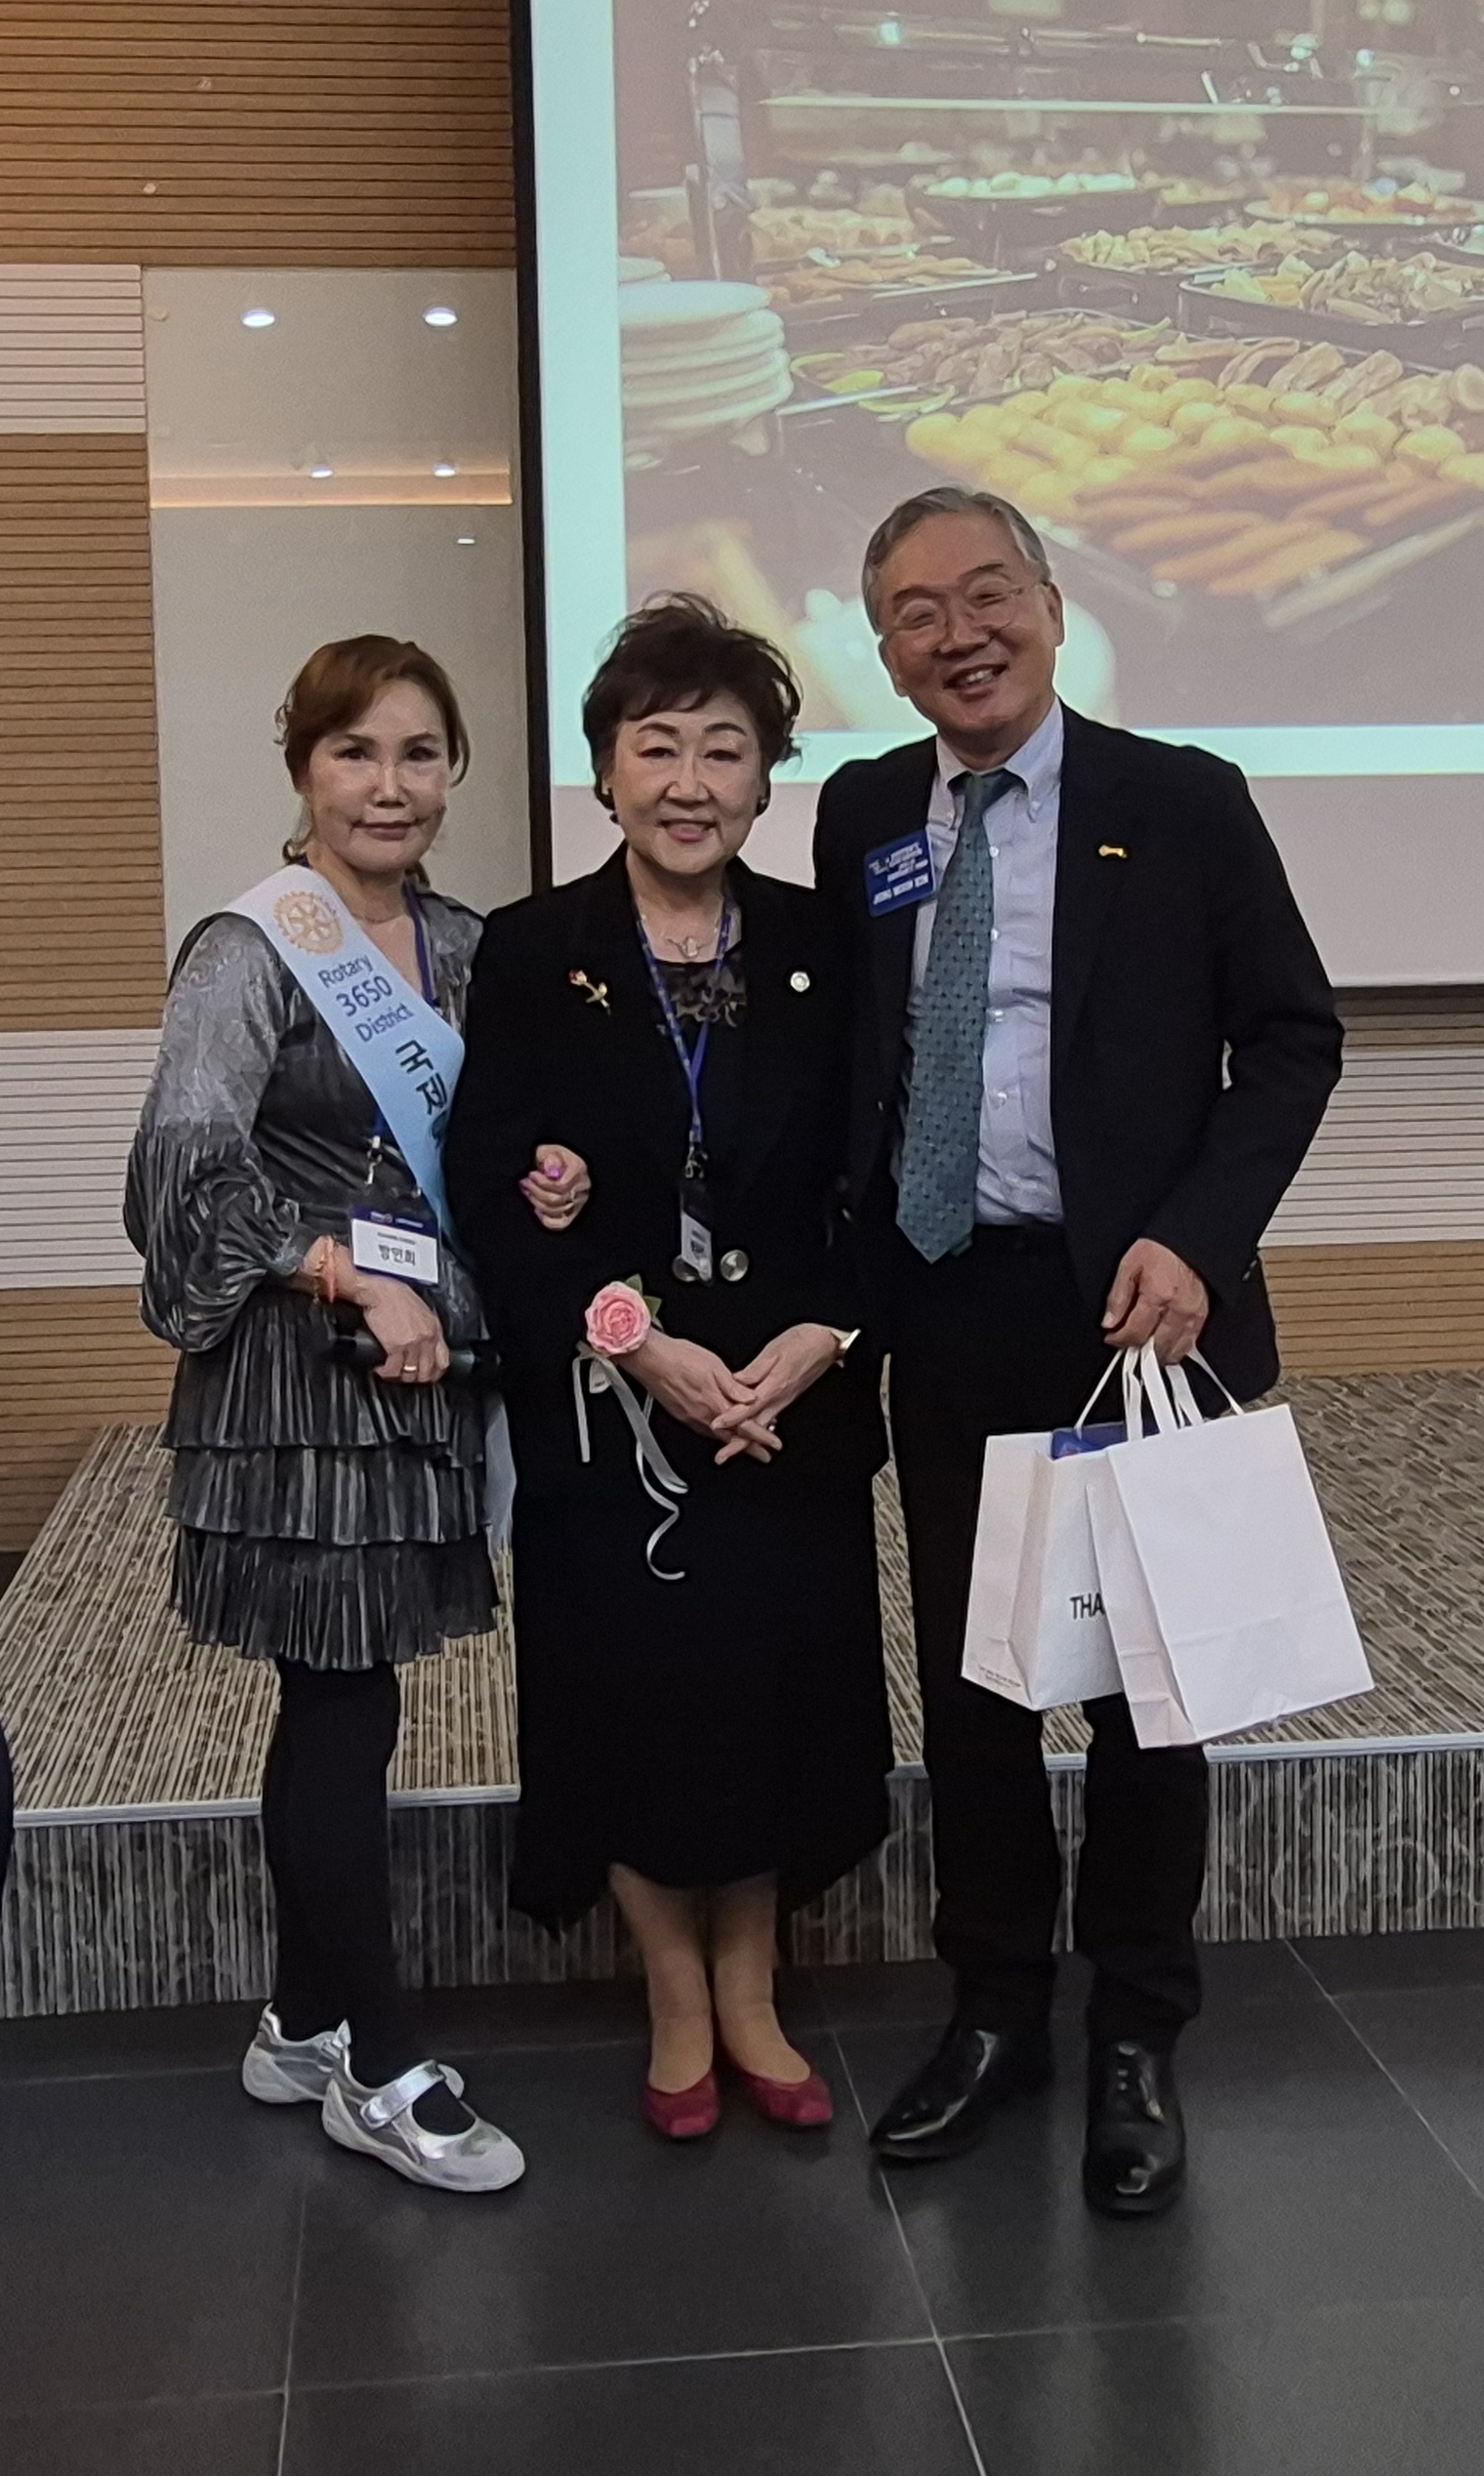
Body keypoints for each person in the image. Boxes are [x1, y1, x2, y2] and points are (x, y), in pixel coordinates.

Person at [815, 484, 1341, 2219]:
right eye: (915, 613)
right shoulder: (865, 813)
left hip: (1137, 1311)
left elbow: (1293, 1040)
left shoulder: (1178, 802)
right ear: (884, 650)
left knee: (1142, 1691)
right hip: (948, 1298)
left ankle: (1135, 2028)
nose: (957, 634)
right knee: (977, 1681)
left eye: (987, 595)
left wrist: (1198, 1239)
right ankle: (993, 2010)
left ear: (1051, 606)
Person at [125, 634, 575, 2197]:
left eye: (420, 753)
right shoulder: (249, 951)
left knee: (346, 1700)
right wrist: (335, 1269)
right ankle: (378, 2064)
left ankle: (302, 2020)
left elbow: (503, 1140)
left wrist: (550, 1177)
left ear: (455, 771)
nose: (390, 785)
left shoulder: (470, 946)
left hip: (423, 1369)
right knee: (337, 1699)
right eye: (355, 752)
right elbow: (183, 1173)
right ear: (303, 768)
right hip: (300, 1383)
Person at [452, 597, 887, 2141]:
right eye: (658, 748)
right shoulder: (534, 950)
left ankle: (753, 1985)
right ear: (605, 773)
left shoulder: (830, 947)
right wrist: (643, 1348)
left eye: (725, 748)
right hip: (613, 1408)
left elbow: (882, 1175)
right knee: (631, 1692)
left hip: (789, 1402)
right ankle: (675, 1995)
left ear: (767, 778)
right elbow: (491, 1185)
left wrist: (822, 1336)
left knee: (772, 1689)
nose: (690, 781)